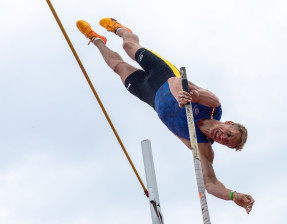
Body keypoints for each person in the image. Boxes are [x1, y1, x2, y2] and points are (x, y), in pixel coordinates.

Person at [76, 18, 255, 214]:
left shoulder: (201, 146)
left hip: (150, 95)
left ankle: (95, 39)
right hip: (162, 74)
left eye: (225, 143)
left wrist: (233, 195)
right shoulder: (212, 106)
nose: (222, 138)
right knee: (129, 45)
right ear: (229, 123)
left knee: (118, 67)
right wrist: (184, 95)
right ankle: (120, 29)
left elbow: (210, 183)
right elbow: (176, 80)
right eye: (229, 135)